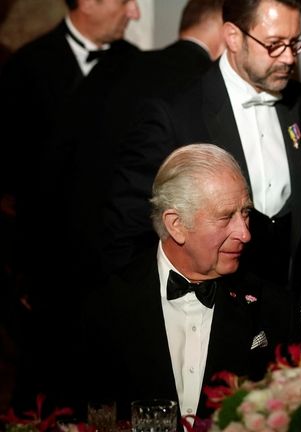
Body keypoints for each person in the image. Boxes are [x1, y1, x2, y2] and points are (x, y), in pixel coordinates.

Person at [106, 0, 301, 358]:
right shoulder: (175, 112)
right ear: (233, 36)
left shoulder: (300, 101)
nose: (290, 58)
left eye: (296, 42)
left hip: (285, 318)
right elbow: (128, 228)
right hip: (212, 319)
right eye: (274, 44)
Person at [83, 144, 301, 420]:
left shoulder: (276, 309)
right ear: (176, 225)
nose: (245, 234)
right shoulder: (100, 308)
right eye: (226, 217)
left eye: (245, 213)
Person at [0, 0, 140, 409]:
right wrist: (21, 274)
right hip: (47, 280)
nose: (135, 13)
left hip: (115, 274)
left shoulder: (136, 65)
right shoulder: (26, 67)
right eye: (126, 1)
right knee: (43, 396)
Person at [61, 0, 227, 305]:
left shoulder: (114, 67)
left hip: (70, 265)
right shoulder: (205, 88)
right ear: (225, 28)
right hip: (147, 280)